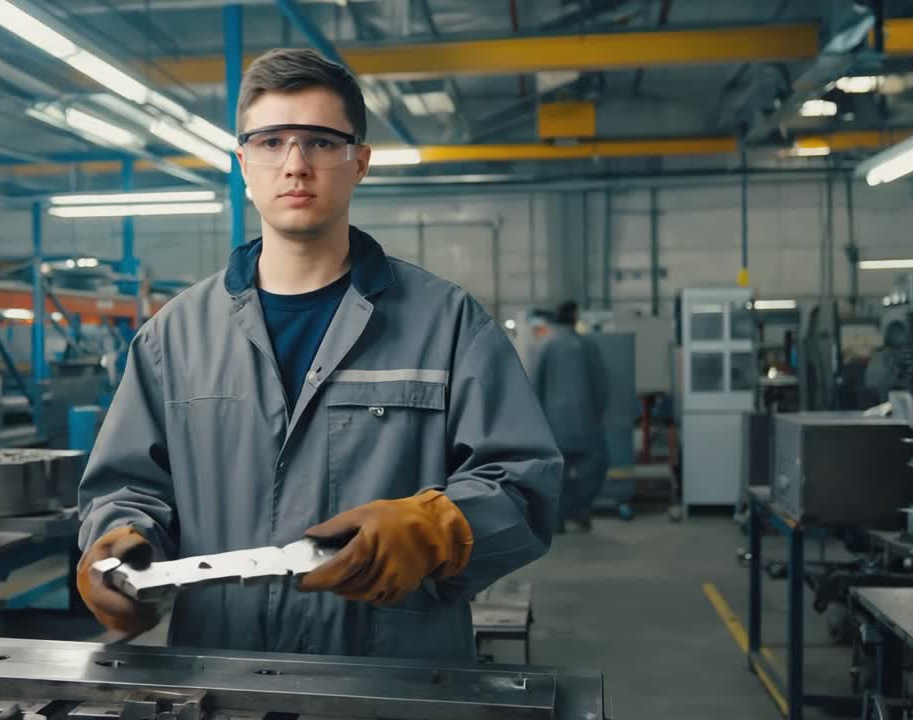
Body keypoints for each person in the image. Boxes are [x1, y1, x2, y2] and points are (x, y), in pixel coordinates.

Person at [74, 48, 562, 661]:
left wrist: (437, 529)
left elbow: (525, 486)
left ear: (360, 162)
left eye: (321, 142)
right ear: (243, 164)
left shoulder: (449, 324)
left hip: (392, 680)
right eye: (272, 141)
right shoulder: (173, 338)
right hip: (222, 674)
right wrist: (119, 543)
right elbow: (127, 486)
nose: (295, 165)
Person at [532, 301, 609, 532]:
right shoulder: (588, 345)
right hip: (586, 422)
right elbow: (601, 386)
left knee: (556, 473)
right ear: (575, 318)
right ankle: (580, 509)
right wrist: (598, 414)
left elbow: (535, 385)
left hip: (553, 425)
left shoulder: (545, 346)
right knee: (596, 465)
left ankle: (558, 517)